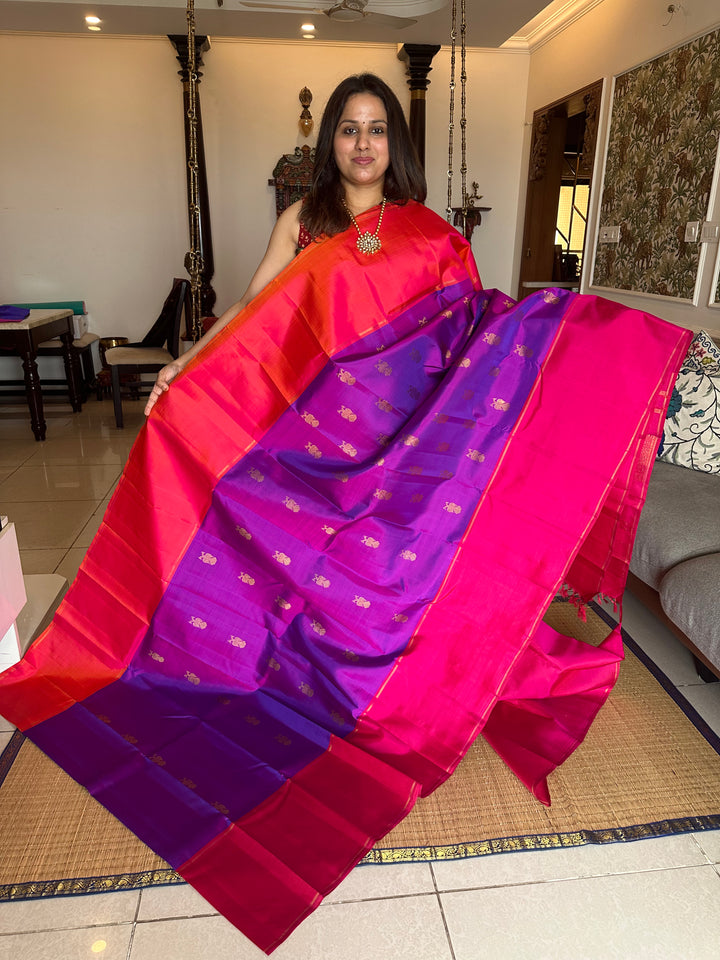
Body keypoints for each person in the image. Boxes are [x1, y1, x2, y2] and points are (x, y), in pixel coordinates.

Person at [144, 72, 427, 418]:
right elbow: (249, 304)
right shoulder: (302, 221)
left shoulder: (419, 229)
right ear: (332, 140)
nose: (363, 143)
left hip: (398, 406)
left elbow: (449, 324)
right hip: (316, 405)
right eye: (350, 129)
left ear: (394, 140)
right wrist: (184, 361)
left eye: (377, 130)